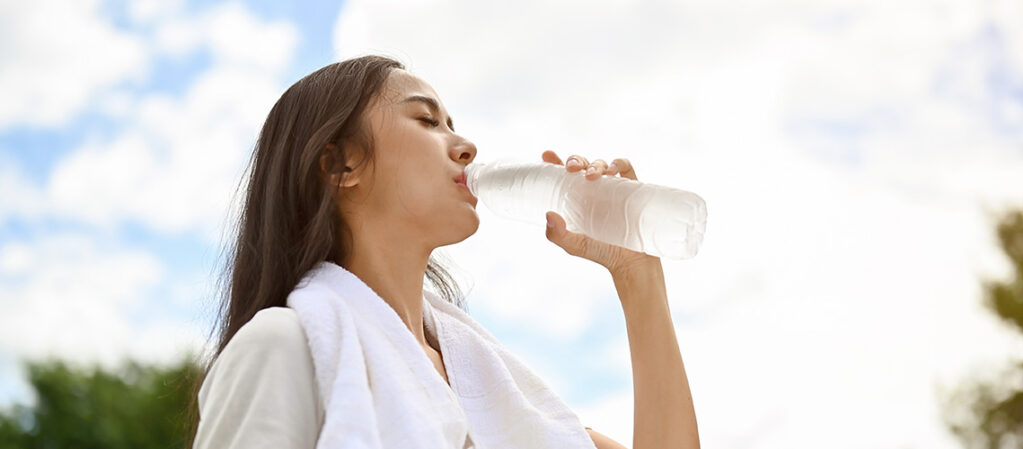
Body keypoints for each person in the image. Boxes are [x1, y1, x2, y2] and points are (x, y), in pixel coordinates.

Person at [186, 54, 699, 449]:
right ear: (341, 165)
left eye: (451, 123)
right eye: (428, 122)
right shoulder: (285, 347)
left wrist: (639, 279)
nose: (465, 145)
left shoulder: (499, 395)